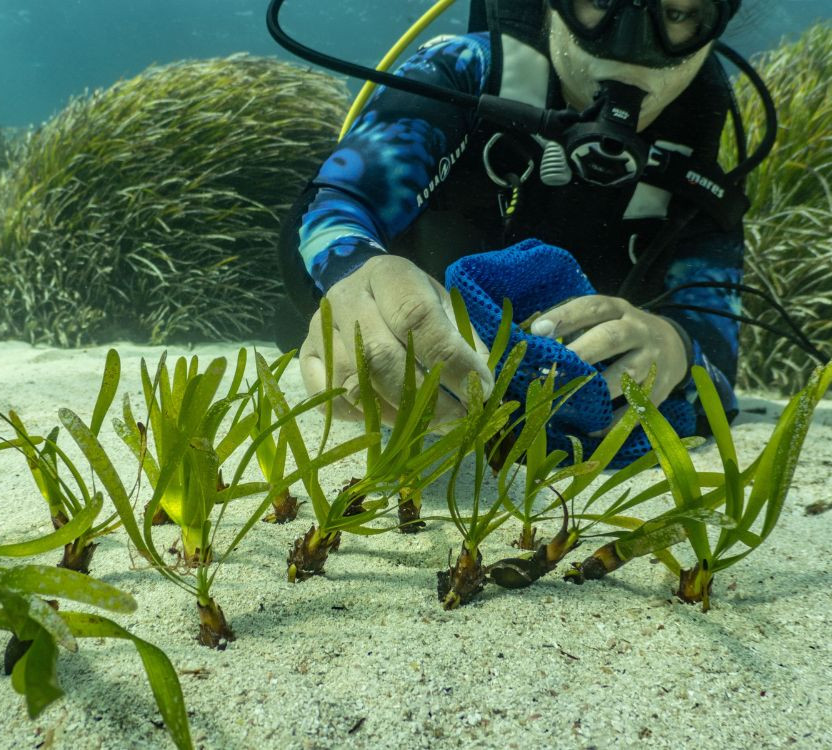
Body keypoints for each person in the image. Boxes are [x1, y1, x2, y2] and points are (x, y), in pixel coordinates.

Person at [276, 0, 748, 439]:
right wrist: (354, 273)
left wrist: (676, 346)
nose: (634, 45)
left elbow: (717, 352)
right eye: (602, 1)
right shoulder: (464, 71)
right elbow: (337, 204)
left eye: (679, 12)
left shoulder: (698, 146)